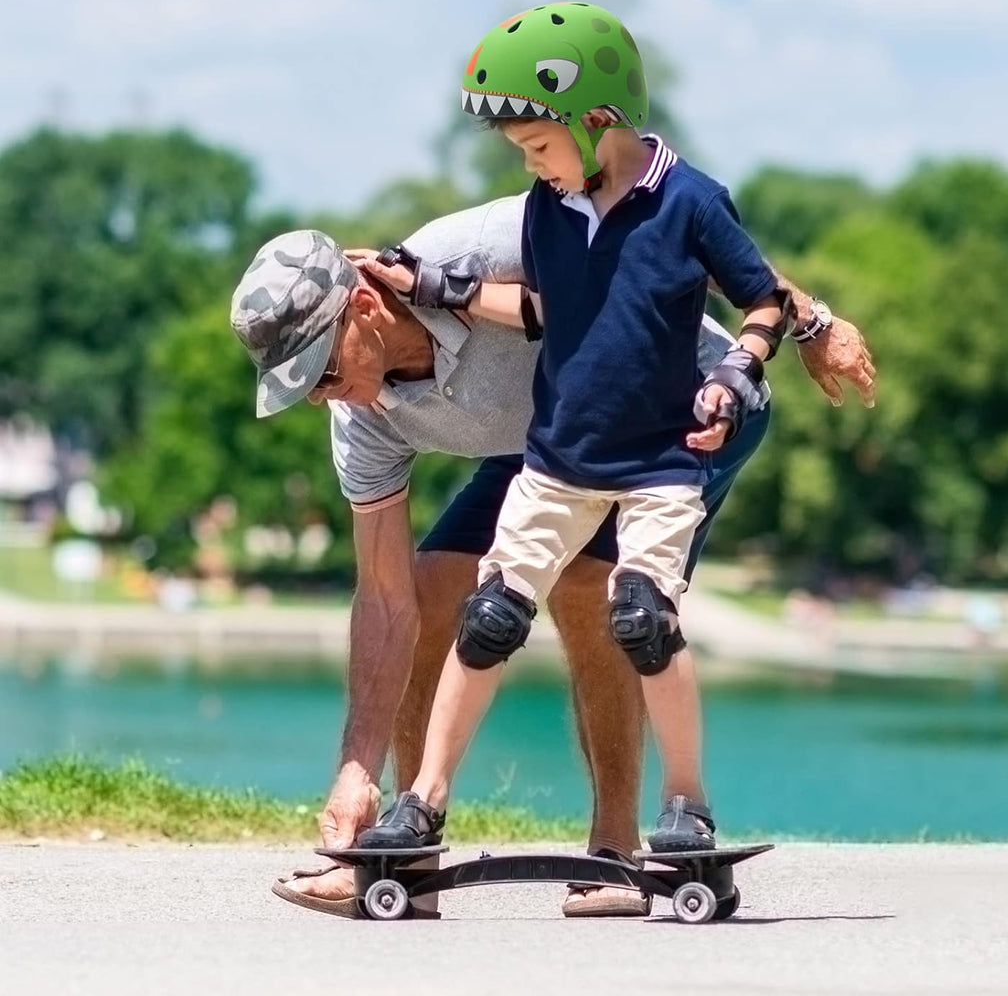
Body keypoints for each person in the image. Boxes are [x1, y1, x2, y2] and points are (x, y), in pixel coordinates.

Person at [231, 192, 875, 918]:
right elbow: (384, 600)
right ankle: (404, 844)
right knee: (433, 585)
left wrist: (812, 321)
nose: (320, 399)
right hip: (550, 442)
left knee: (586, 586)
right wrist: (354, 771)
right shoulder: (362, 417)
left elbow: (680, 237)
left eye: (318, 371)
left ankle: (614, 847)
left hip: (681, 404)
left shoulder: (478, 251)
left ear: (366, 311)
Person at [353, 2, 794, 854]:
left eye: (539, 147)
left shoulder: (692, 203)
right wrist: (435, 285)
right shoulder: (550, 208)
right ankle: (425, 799)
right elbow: (540, 311)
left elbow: (765, 297)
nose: (534, 165)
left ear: (597, 120)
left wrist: (739, 374)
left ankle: (686, 802)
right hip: (555, 465)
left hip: (661, 464)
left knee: (642, 618)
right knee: (491, 616)